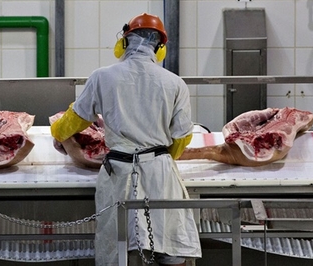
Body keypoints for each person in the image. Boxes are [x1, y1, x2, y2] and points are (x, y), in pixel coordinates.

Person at [51, 13, 201, 265]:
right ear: (159, 47)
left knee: (117, 249)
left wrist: (57, 134)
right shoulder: (175, 83)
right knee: (170, 250)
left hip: (118, 172)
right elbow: (182, 137)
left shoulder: (102, 76)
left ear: (124, 41)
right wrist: (164, 159)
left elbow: (77, 118)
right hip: (159, 173)